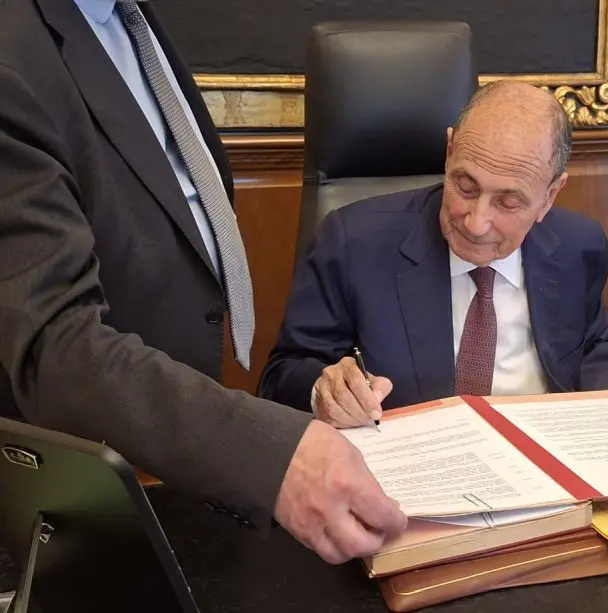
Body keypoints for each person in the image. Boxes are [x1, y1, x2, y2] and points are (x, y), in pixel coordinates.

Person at [0, 0, 405, 565]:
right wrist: (267, 454)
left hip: (167, 483)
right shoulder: (14, 50)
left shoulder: (124, 18)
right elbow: (56, 344)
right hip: (63, 515)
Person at [258, 80, 608, 429]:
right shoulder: (353, 242)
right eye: (465, 186)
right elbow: (282, 377)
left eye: (508, 203)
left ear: (550, 195)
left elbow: (593, 349)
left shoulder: (579, 246)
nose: (476, 223)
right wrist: (325, 393)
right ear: (450, 153)